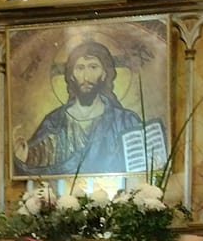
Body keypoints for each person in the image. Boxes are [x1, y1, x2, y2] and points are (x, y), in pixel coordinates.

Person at [17, 39, 147, 178]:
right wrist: (22, 156)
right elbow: (34, 163)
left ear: (104, 73)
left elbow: (142, 166)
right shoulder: (54, 122)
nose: (86, 77)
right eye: (80, 68)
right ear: (72, 75)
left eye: (93, 67)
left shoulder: (126, 121)